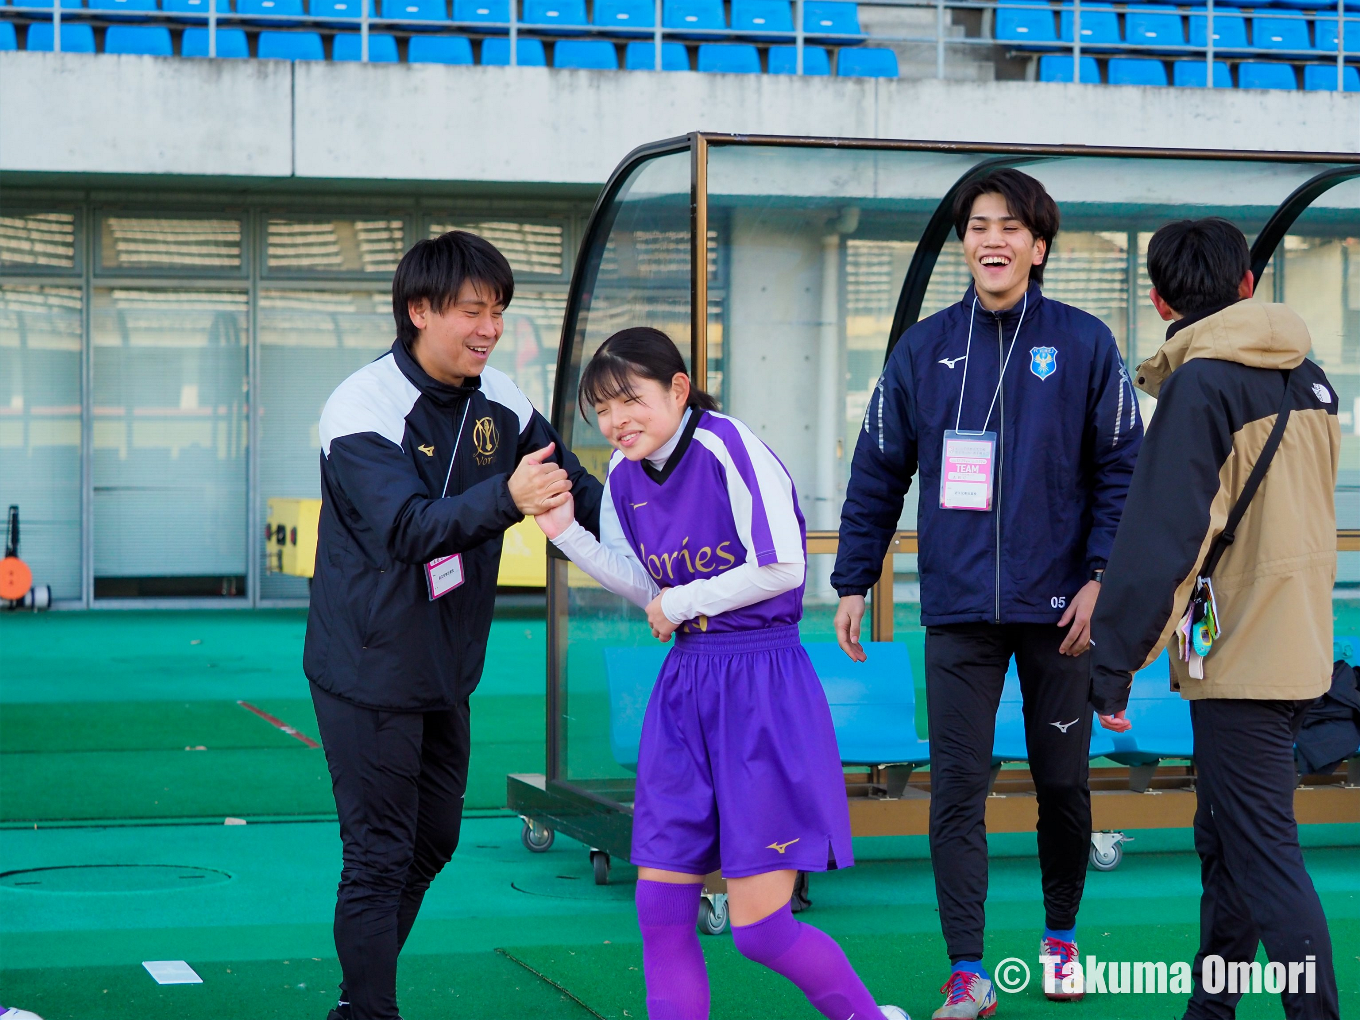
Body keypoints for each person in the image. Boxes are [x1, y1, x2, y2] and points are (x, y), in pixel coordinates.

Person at [830, 169, 1143, 1019]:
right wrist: (855, 574)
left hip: (1061, 614)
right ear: (964, 243)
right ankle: (967, 969)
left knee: (1064, 786)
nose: (992, 240)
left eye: (1010, 227)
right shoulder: (923, 350)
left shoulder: (1083, 344)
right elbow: (879, 468)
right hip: (960, 610)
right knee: (957, 790)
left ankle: (1062, 937)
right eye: (977, 227)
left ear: (1039, 247)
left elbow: (1124, 471)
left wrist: (1101, 578)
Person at [533, 327, 907, 1020]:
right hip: (686, 689)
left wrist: (684, 601)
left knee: (761, 930)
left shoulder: (727, 445)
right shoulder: (621, 474)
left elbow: (785, 566)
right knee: (661, 908)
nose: (617, 420)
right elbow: (649, 586)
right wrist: (566, 533)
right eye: (602, 408)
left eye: (630, 399)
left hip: (762, 686)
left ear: (678, 388)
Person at [304, 230, 603, 1020]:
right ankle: (368, 1010)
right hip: (366, 667)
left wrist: (673, 541)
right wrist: (510, 498)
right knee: (376, 857)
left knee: (431, 841)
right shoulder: (360, 407)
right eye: (473, 311)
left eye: (499, 311)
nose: (489, 328)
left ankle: (355, 999)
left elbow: (579, 488)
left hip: (446, 667)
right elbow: (405, 529)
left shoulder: (500, 397)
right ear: (419, 311)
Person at [1090, 217, 1340, 1020]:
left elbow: (1166, 536)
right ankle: (1212, 1010)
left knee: (1262, 856)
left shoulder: (1203, 385)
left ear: (1160, 298)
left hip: (1243, 658)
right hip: (1299, 644)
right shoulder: (1313, 377)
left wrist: (1112, 661)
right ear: (1247, 286)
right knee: (1229, 846)